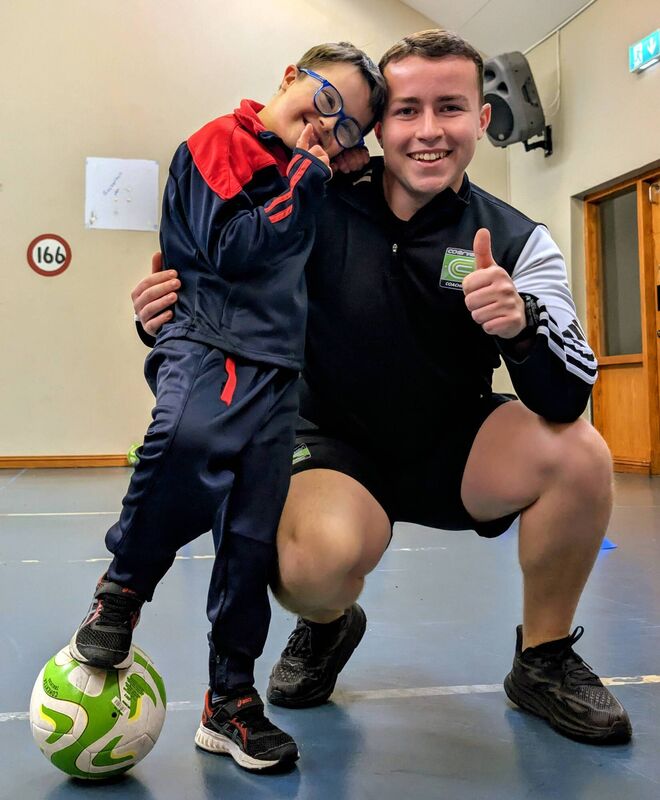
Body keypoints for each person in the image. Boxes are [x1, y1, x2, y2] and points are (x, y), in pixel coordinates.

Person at [133, 29, 632, 745]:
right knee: (311, 564)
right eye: (406, 111)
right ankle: (329, 625)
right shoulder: (312, 203)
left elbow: (566, 396)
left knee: (580, 455)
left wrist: (519, 326)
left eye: (451, 108)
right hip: (328, 445)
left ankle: (544, 659)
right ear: (376, 127)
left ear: (482, 121)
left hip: (454, 444)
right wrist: (162, 320)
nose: (429, 131)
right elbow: (222, 296)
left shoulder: (518, 240)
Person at [70, 42, 385, 771]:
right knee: (184, 438)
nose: (328, 129)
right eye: (327, 103)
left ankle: (231, 702)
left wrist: (328, 175)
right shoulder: (224, 143)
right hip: (211, 346)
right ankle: (121, 589)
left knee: (248, 539)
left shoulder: (318, 183)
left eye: (347, 131)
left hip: (279, 376)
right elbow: (231, 248)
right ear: (290, 78)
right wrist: (307, 176)